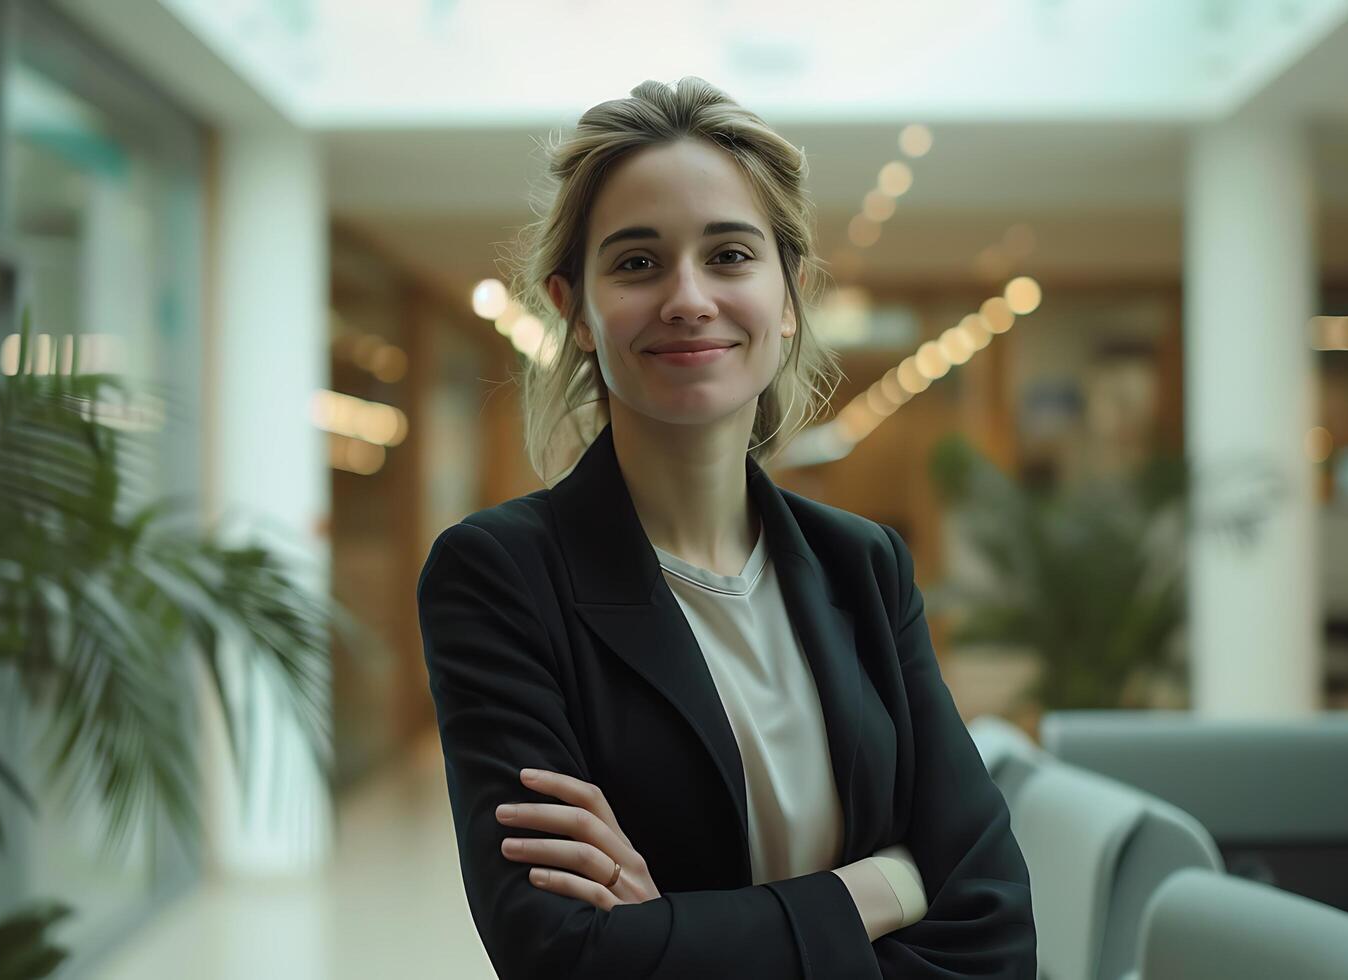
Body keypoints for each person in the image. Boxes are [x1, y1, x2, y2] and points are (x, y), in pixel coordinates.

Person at [417, 76, 1035, 979]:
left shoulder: (861, 565)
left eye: (730, 256)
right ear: (573, 310)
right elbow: (562, 955)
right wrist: (885, 887)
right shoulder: (500, 575)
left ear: (787, 299)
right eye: (635, 262)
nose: (687, 298)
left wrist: (672, 927)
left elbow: (991, 925)